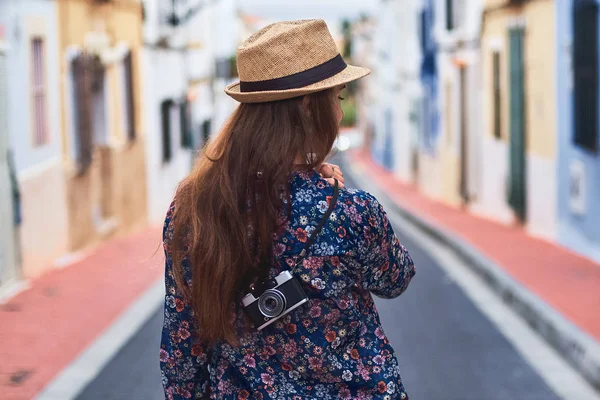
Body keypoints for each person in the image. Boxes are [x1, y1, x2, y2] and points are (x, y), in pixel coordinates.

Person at [160, 19, 416, 400]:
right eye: (338, 97)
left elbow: (182, 356)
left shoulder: (196, 210)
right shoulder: (352, 212)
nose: (338, 108)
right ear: (310, 106)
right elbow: (395, 279)